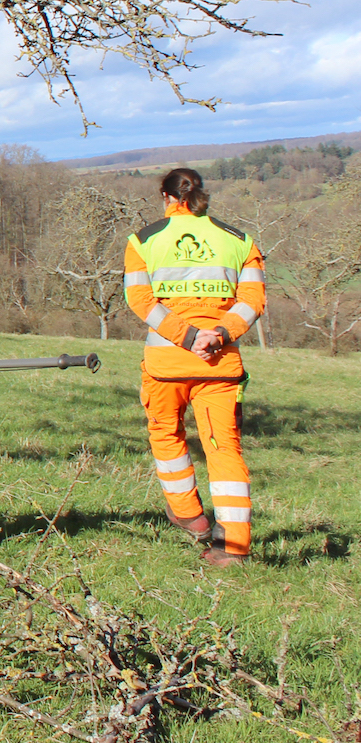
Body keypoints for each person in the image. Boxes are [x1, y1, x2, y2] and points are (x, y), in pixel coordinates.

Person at [124, 167, 266, 568]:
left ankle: (189, 516)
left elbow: (140, 301)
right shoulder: (240, 241)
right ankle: (233, 546)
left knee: (167, 437)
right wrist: (217, 335)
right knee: (224, 449)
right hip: (220, 365)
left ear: (165, 196)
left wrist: (186, 337)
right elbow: (253, 300)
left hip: (166, 363)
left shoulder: (142, 241)